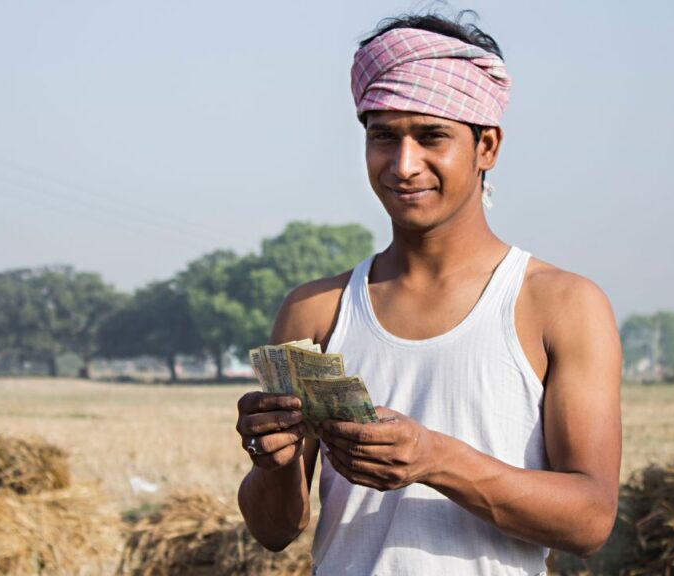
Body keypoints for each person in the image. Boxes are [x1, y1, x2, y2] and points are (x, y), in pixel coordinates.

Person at [235, 10, 622, 575]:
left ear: (486, 146)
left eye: (431, 136)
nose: (403, 165)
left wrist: (435, 459)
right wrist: (271, 462)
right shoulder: (316, 310)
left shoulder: (560, 305)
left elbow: (589, 520)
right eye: (383, 137)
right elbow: (275, 531)